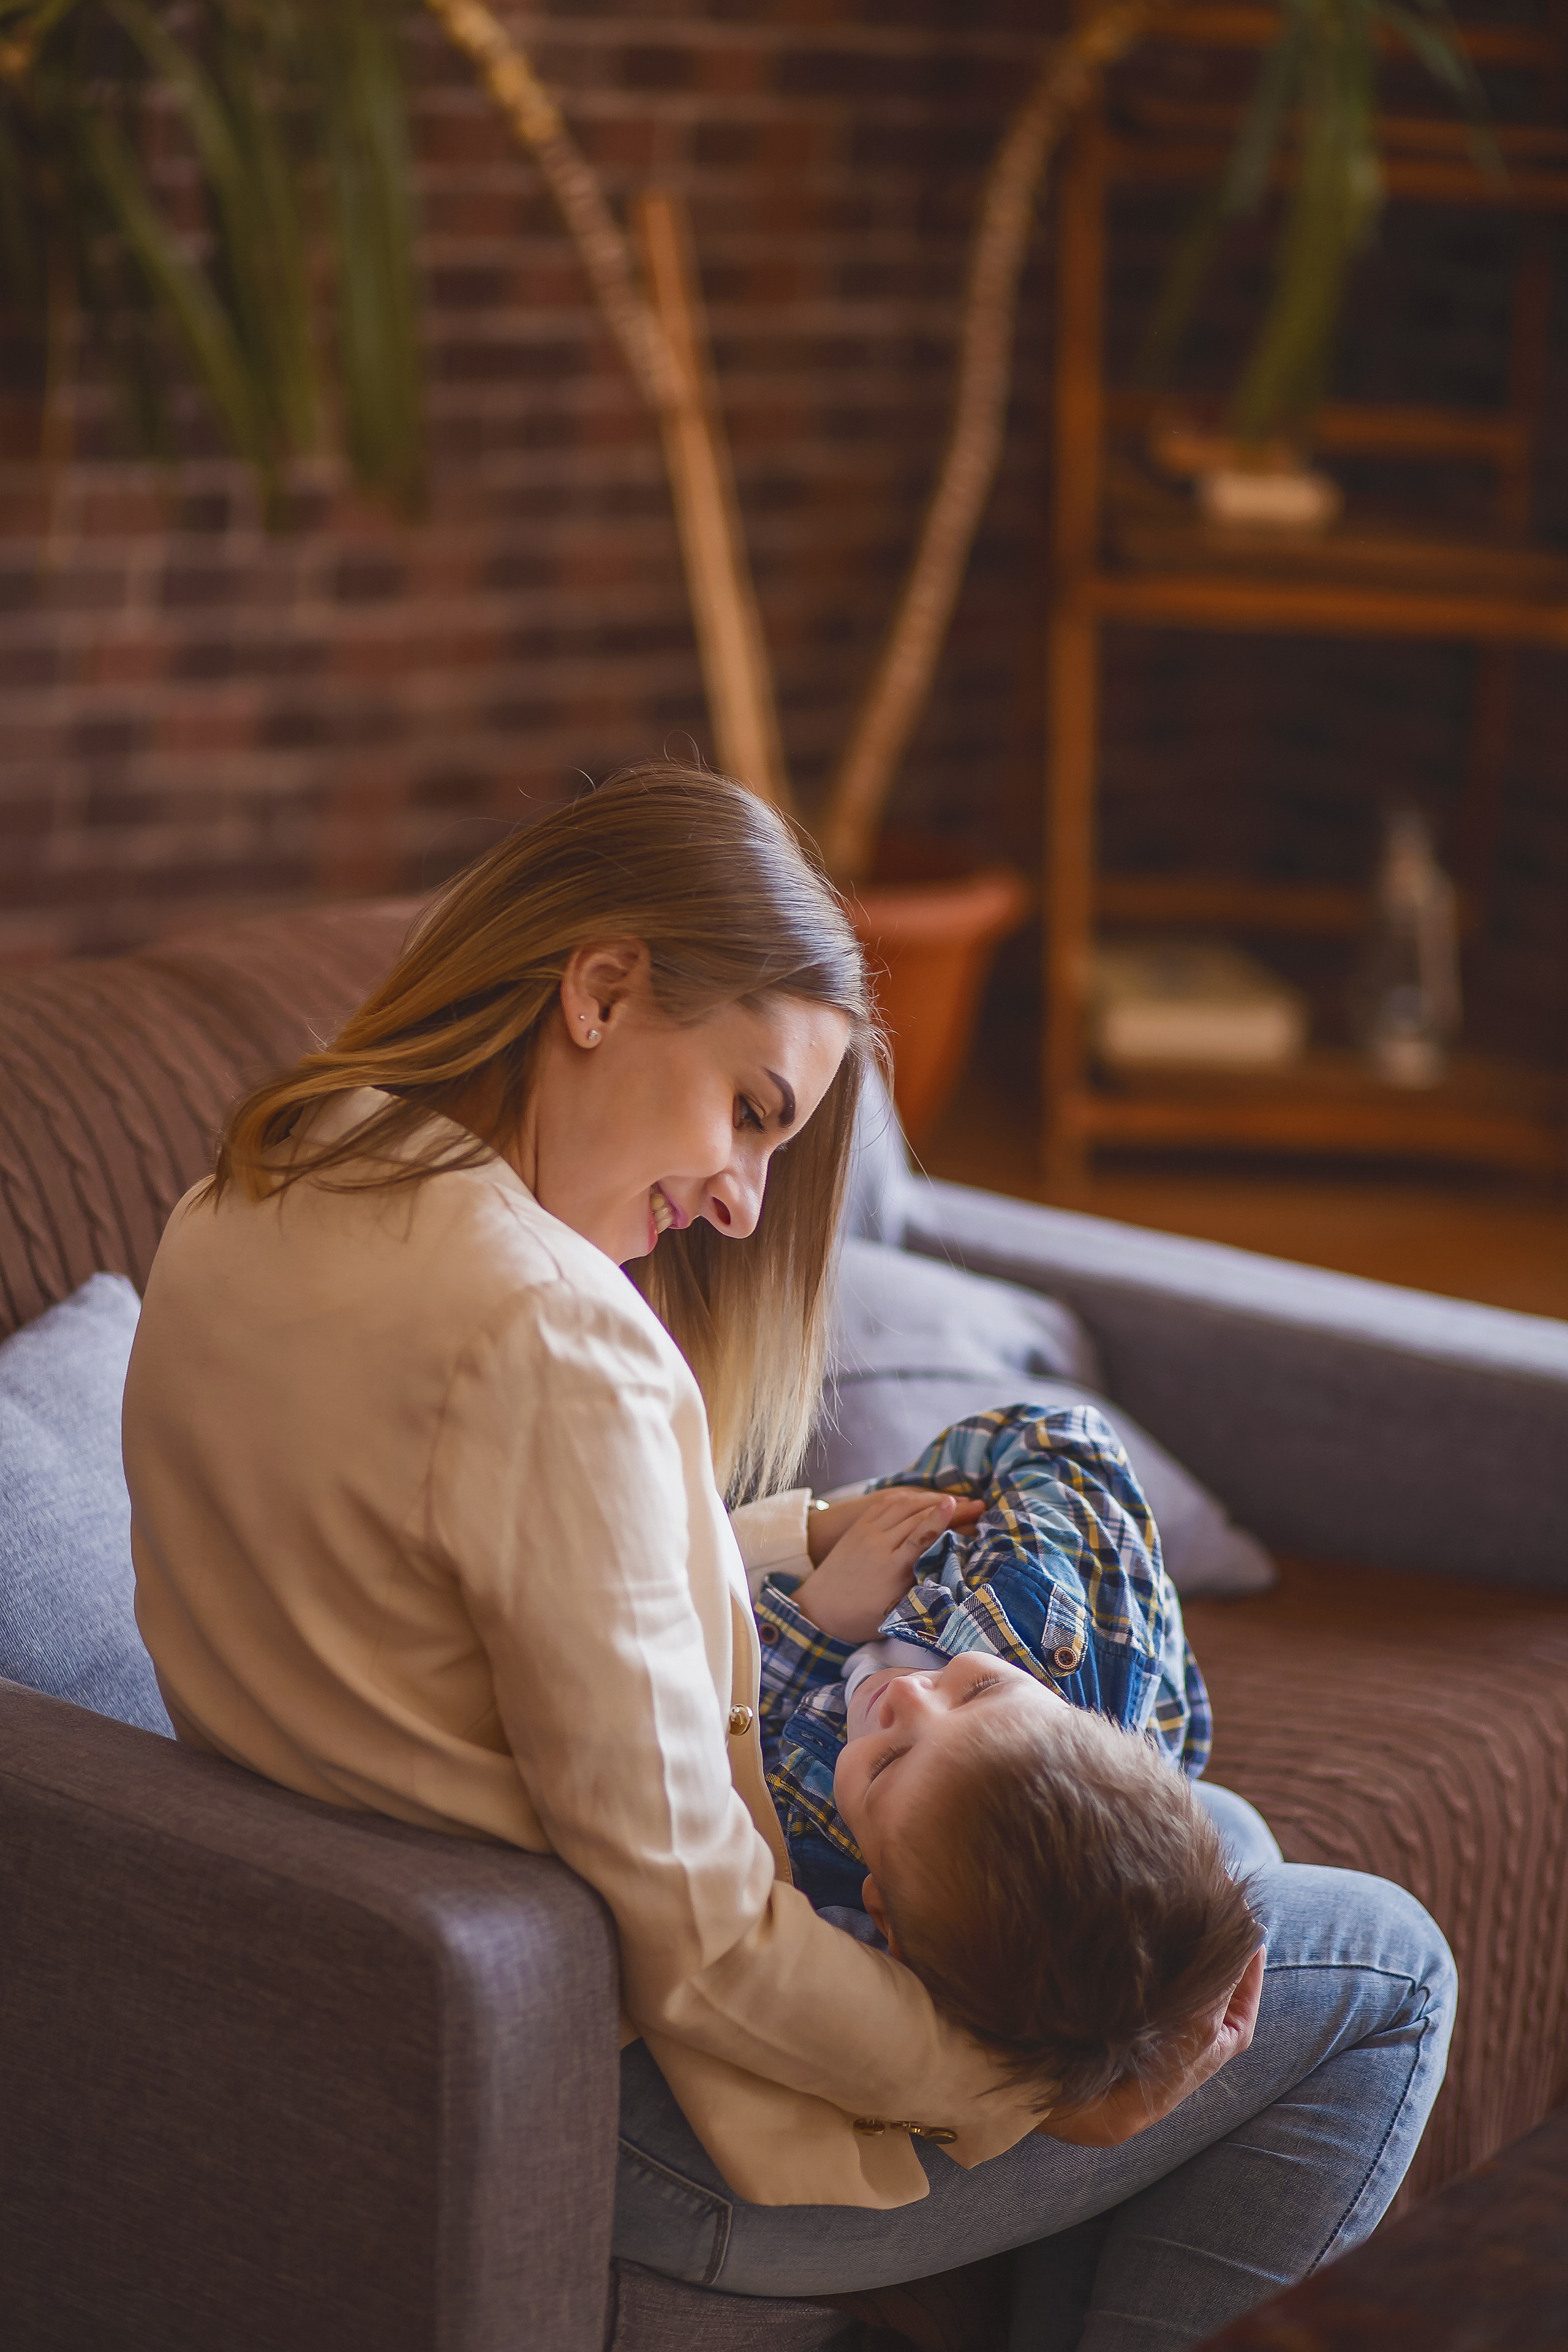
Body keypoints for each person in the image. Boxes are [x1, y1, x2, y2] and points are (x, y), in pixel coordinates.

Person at [124, 764, 1454, 2350]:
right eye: (751, 1110)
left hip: (386, 2016)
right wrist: (1025, 2087)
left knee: (1201, 1849)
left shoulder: (252, 1192)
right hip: (637, 2114)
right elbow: (702, 1948)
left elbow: (478, 1590)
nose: (746, 1206)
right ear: (602, 988)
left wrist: (802, 1532)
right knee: (1383, 1968)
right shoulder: (553, 1338)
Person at [754, 1401, 1212, 1916]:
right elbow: (1055, 1436)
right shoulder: (1041, 1617)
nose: (908, 1695)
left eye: (888, 1763)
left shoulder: (819, 1860)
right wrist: (915, 1509)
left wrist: (817, 1622)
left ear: (881, 1910)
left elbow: (738, 1731)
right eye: (979, 1691)